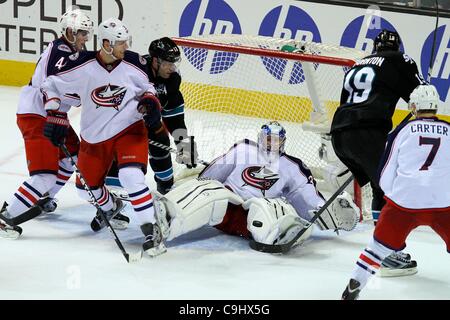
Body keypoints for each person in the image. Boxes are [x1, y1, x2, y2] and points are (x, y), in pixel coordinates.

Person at [36, 18, 165, 257]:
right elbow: (50, 85)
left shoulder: (134, 63)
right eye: (120, 43)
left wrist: (150, 101)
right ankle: (111, 206)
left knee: (130, 176)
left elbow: (147, 87)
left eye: (127, 42)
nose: (125, 48)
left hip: (130, 130)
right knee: (86, 190)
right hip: (95, 137)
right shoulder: (82, 65)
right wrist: (55, 114)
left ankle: (151, 229)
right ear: (106, 44)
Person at [149, 121, 361, 255]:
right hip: (225, 209)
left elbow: (307, 200)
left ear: (284, 142)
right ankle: (167, 217)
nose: (272, 143)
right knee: (212, 191)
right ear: (260, 138)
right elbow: (209, 177)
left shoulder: (293, 167)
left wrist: (327, 209)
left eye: (277, 140)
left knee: (269, 205)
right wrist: (197, 188)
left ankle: (278, 233)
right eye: (268, 138)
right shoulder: (243, 149)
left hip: (251, 219)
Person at [330, 29, 427, 273]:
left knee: (380, 186)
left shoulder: (358, 64)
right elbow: (420, 96)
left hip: (340, 135)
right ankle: (386, 252)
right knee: (391, 190)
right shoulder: (399, 59)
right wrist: (426, 87)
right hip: (367, 133)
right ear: (398, 47)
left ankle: (383, 248)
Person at [341, 84, 450, 300]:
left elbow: (385, 174)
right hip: (443, 203)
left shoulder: (402, 131)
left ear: (414, 106)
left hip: (404, 204)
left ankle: (354, 285)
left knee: (377, 249)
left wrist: (396, 198)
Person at [0, 8, 94, 239]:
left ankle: (42, 196)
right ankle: (5, 218)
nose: (85, 38)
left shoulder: (68, 51)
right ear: (70, 31)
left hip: (53, 116)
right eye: (82, 33)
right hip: (38, 116)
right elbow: (52, 84)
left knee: (73, 155)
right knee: (44, 176)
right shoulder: (60, 50)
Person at [105, 37, 197, 195]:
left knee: (161, 138)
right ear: (155, 61)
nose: (172, 68)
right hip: (122, 124)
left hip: (149, 121)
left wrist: (185, 147)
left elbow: (176, 121)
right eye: (168, 63)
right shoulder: (135, 71)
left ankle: (166, 185)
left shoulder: (172, 81)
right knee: (118, 149)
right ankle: (113, 187)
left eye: (174, 63)